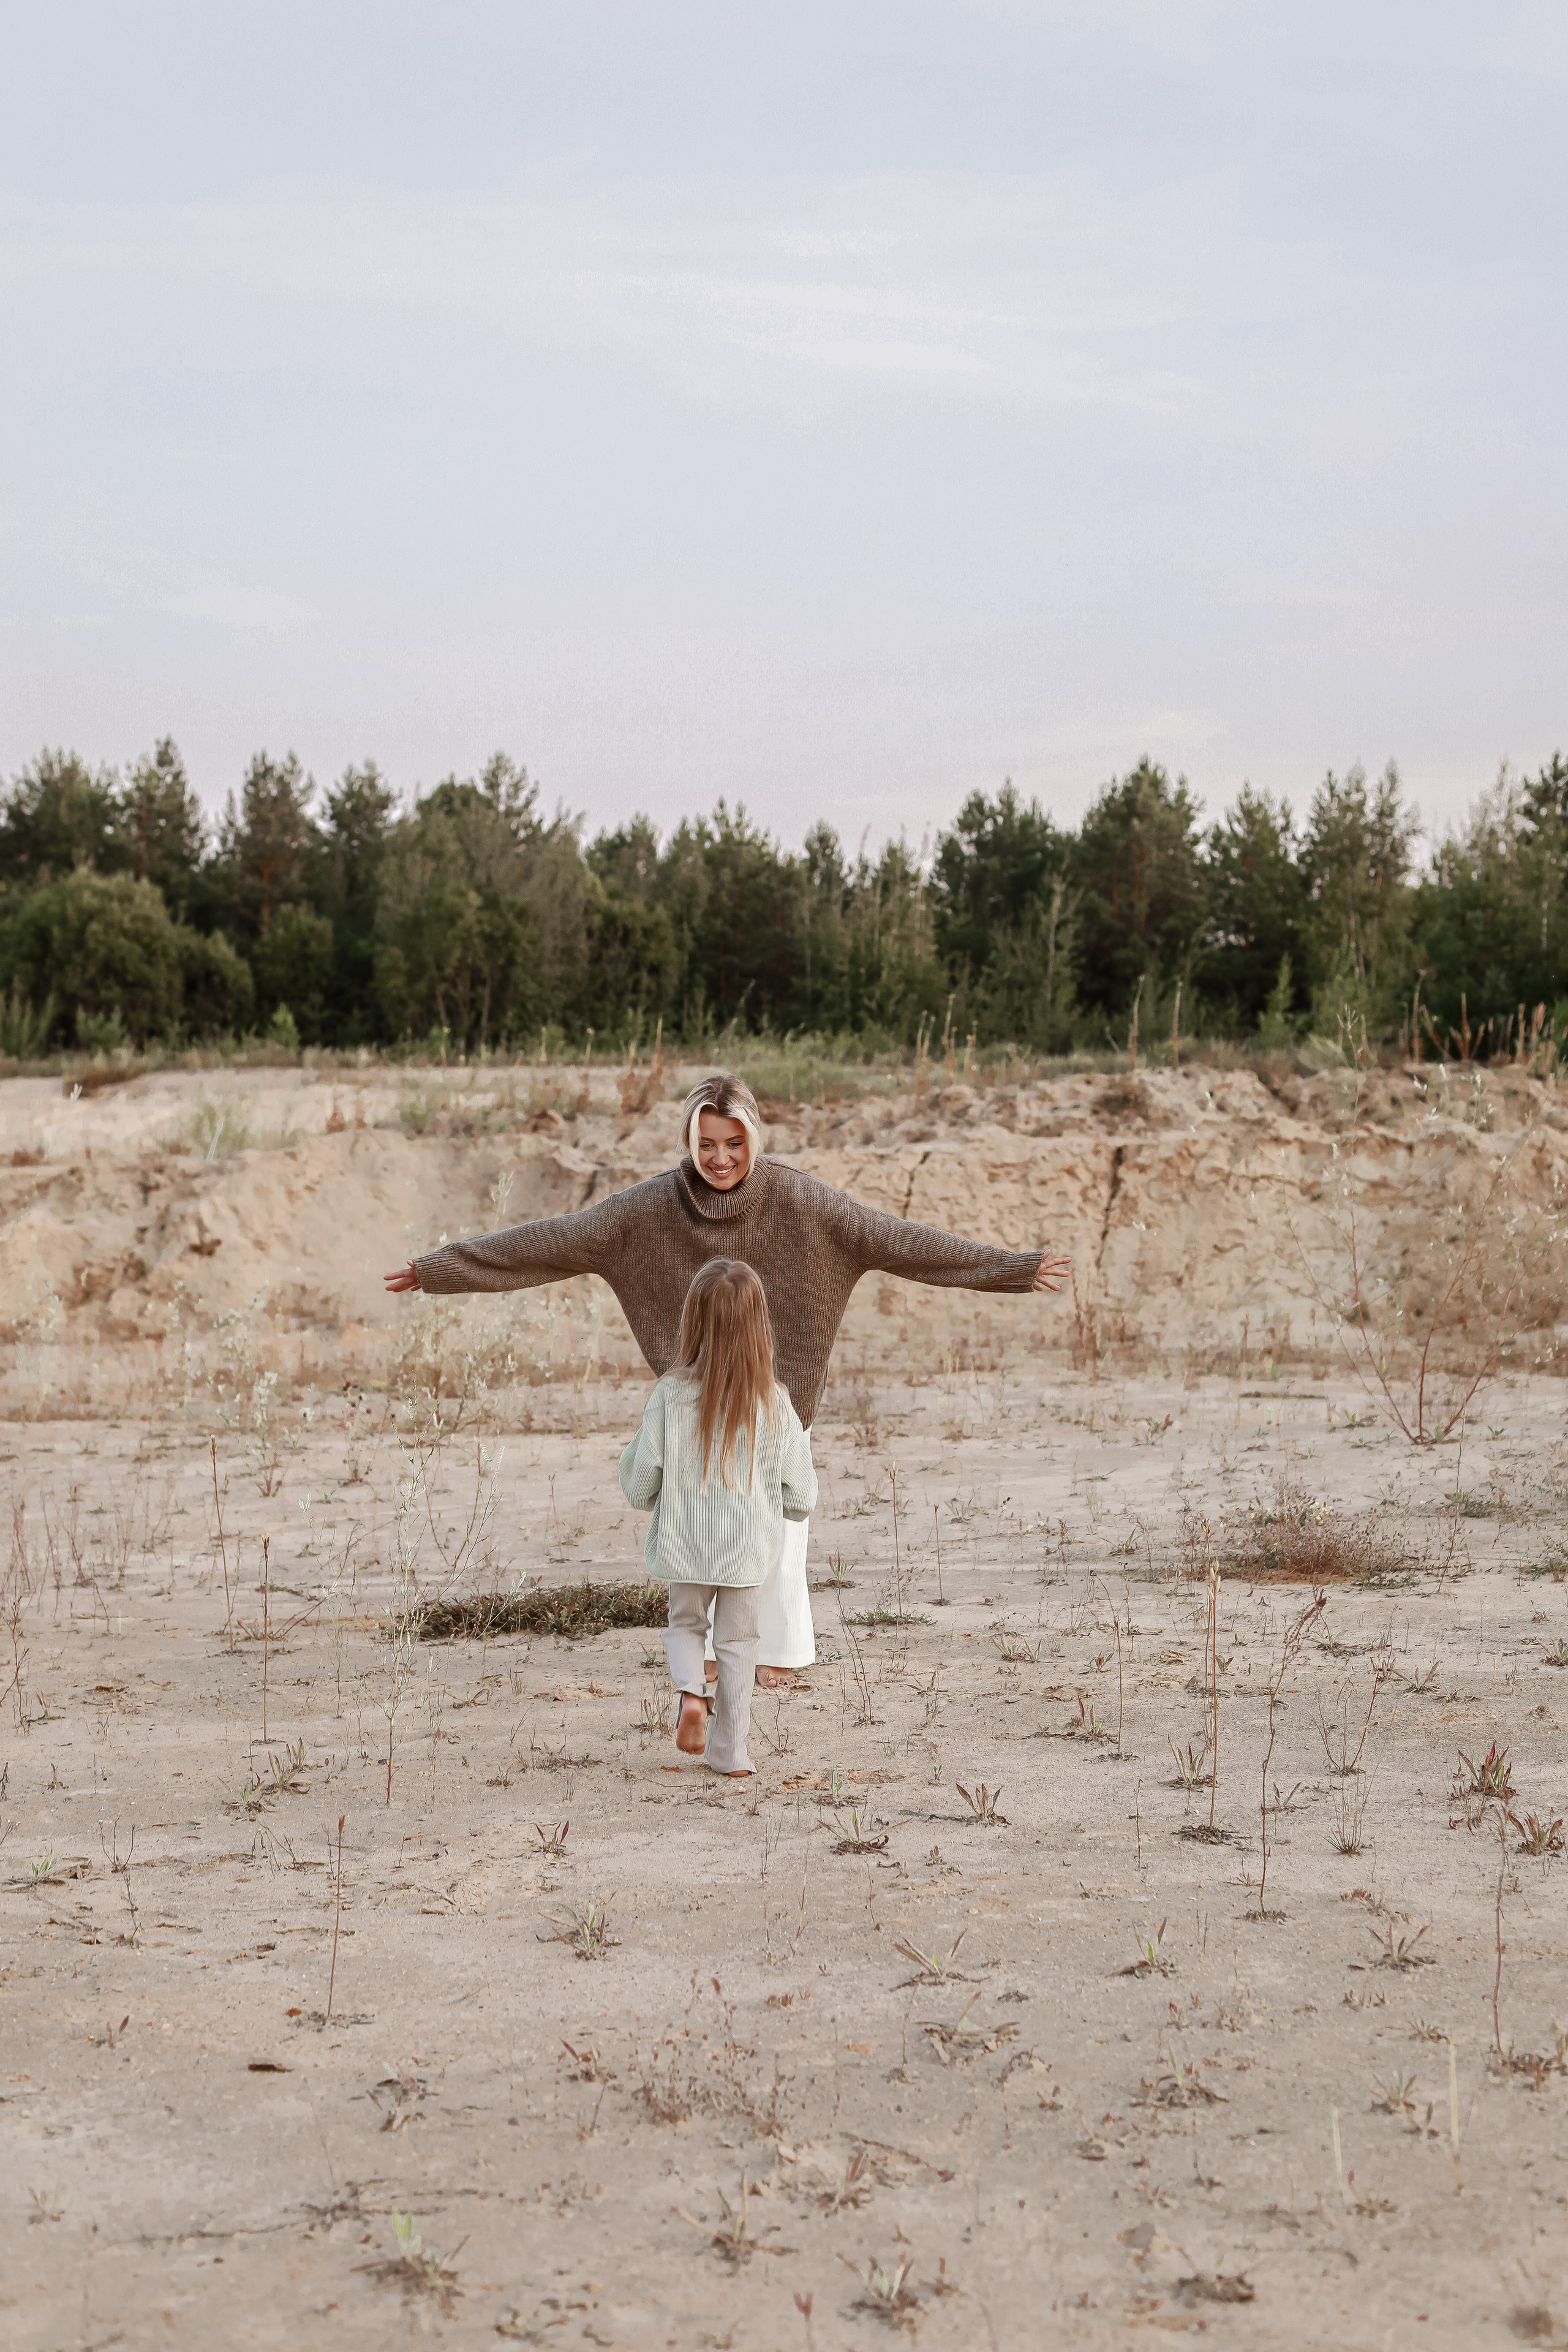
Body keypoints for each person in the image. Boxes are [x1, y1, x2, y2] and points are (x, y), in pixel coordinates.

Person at [385, 1070, 1069, 1680]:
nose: (719, 1159)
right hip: (694, 1404)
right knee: (701, 1531)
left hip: (779, 1403)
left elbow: (901, 1242)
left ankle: (779, 1657)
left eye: (734, 1144)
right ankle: (711, 1655)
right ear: (689, 1141)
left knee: (780, 1538)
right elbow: (551, 1241)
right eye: (706, 1144)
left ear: (754, 1140)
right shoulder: (645, 1211)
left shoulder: (807, 1204)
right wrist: (441, 1268)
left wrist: (1011, 1268)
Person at [618, 1259, 816, 1776]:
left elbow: (640, 1485)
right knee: (739, 1644)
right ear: (760, 1326)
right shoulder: (776, 1402)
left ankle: (691, 1693)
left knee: (686, 1624)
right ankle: (730, 1751)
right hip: (746, 1552)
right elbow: (801, 1497)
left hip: (683, 1545)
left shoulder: (669, 1395)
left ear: (693, 1322)